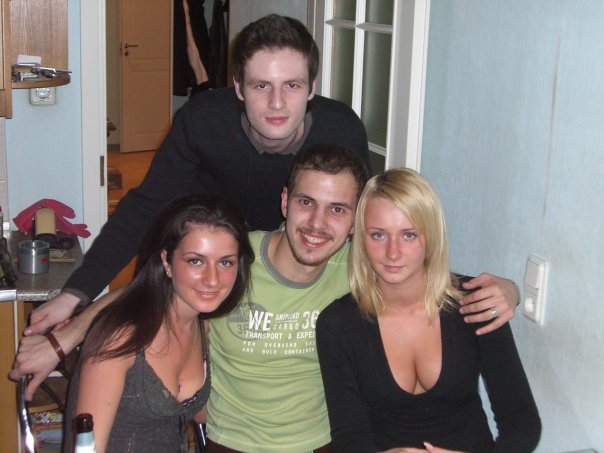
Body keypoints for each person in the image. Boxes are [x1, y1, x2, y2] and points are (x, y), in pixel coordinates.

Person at [11, 14, 518, 400]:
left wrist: (483, 288)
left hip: (294, 259)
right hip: (220, 249)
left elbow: (381, 232)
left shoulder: (341, 130)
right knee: (149, 312)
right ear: (238, 88)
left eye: (291, 86)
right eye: (261, 86)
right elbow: (146, 207)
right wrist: (76, 294)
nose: (277, 104)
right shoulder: (203, 122)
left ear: (312, 88)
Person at [316, 168, 541, 453]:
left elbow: (522, 422)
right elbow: (350, 436)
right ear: (360, 237)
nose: (393, 252)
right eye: (378, 235)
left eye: (409, 235)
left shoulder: (476, 303)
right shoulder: (338, 324)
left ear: (431, 236)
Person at [205, 143, 369, 452]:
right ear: (285, 201)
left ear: (355, 220)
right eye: (306, 202)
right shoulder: (234, 260)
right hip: (233, 442)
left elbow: (420, 279)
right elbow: (158, 293)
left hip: (321, 443)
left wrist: (474, 291)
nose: (317, 224)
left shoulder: (358, 269)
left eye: (337, 209)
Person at [63, 194, 254, 452]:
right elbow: (88, 447)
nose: (212, 279)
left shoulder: (203, 326)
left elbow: (203, 414)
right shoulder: (120, 338)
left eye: (225, 262)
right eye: (195, 261)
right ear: (167, 261)